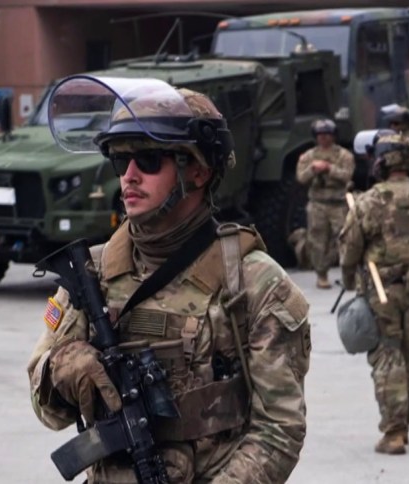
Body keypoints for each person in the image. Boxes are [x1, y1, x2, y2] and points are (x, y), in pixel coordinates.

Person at [28, 77, 310, 482]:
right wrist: (63, 367)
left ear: (197, 171)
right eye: (120, 161)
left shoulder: (253, 282)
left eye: (148, 160)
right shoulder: (91, 273)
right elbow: (47, 410)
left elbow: (279, 432)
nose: (129, 176)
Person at [339, 132, 409, 455]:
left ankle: (394, 430)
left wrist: (348, 279)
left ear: (381, 163)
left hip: (382, 289)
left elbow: (350, 249)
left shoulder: (369, 201)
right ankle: (406, 420)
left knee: (388, 353)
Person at [296, 118, 355, 289]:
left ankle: (348, 273)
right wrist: (313, 169)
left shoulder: (344, 155)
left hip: (338, 203)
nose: (324, 138)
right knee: (317, 240)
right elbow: (301, 178)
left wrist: (329, 169)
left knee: (345, 238)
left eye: (327, 134)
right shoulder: (309, 157)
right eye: (320, 134)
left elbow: (347, 175)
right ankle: (321, 274)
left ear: (333, 136)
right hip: (317, 203)